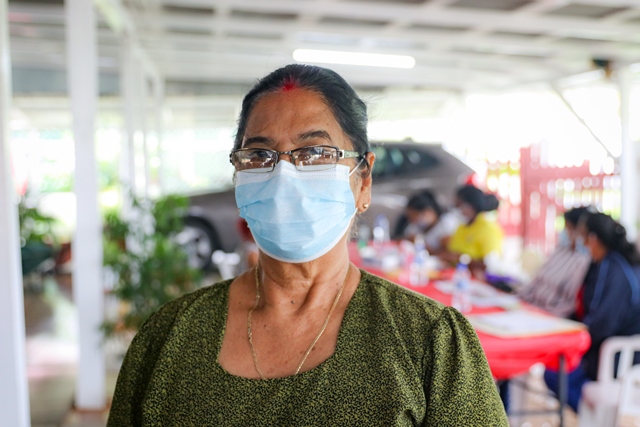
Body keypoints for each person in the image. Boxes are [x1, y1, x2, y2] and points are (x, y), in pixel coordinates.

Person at [107, 64, 508, 426]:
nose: (283, 176)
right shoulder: (168, 338)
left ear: (363, 180)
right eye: (259, 154)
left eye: (316, 153)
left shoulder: (430, 342)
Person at [544, 212, 640, 412]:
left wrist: (573, 338)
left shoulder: (612, 269)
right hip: (614, 350)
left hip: (616, 358)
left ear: (593, 239)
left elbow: (602, 323)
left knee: (554, 373)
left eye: (581, 236)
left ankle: (596, 417)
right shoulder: (615, 263)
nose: (579, 242)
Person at [517, 206, 592, 318]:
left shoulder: (584, 261)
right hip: (530, 307)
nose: (565, 232)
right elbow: (538, 279)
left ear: (579, 231)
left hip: (551, 315)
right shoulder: (560, 251)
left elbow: (568, 303)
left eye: (568, 228)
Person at [441, 184, 503, 273]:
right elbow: (452, 251)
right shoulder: (462, 227)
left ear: (472, 205)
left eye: (460, 206)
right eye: (456, 206)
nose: (458, 210)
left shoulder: (488, 228)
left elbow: (491, 265)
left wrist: (463, 259)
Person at [392, 190, 460, 254]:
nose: (413, 221)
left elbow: (449, 254)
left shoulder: (447, 224)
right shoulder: (414, 227)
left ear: (428, 211)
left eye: (415, 216)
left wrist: (422, 246)